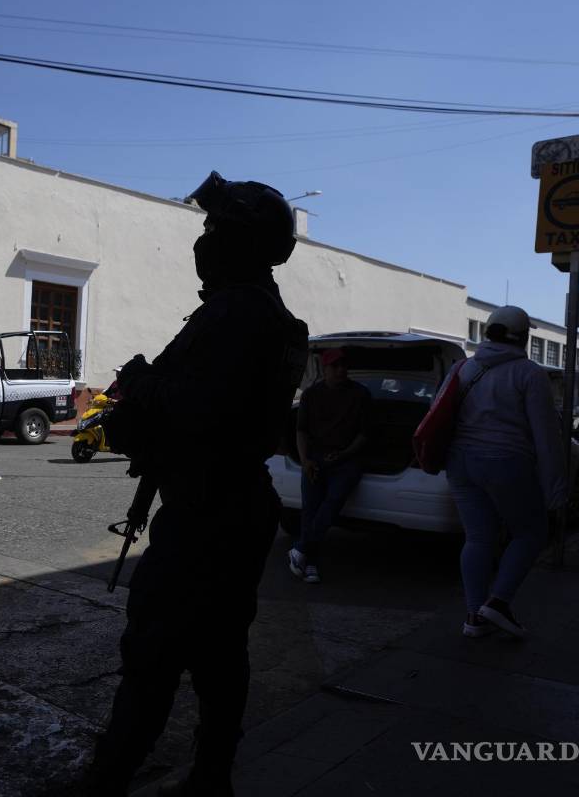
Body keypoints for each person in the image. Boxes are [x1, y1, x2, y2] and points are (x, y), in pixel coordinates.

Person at [85, 171, 307, 797]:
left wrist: (140, 386)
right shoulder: (253, 310)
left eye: (214, 228)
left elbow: (197, 410)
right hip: (228, 502)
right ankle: (211, 777)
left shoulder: (239, 313)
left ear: (241, 240)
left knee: (154, 655)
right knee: (218, 654)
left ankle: (108, 780)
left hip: (208, 510)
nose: (203, 239)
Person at [444, 305, 566, 640]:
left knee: (478, 537)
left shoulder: (462, 369)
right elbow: (547, 439)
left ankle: (474, 616)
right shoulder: (529, 373)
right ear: (523, 337)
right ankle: (498, 602)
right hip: (506, 463)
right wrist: (556, 494)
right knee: (530, 533)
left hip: (460, 463)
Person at [289, 348, 370, 584]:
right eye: (335, 366)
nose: (341, 370)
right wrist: (305, 461)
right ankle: (310, 562)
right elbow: (301, 431)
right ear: (324, 369)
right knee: (310, 509)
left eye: (344, 365)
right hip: (315, 458)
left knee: (333, 502)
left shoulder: (360, 394)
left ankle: (301, 550)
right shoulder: (311, 395)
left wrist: (344, 454)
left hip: (347, 461)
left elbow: (364, 435)